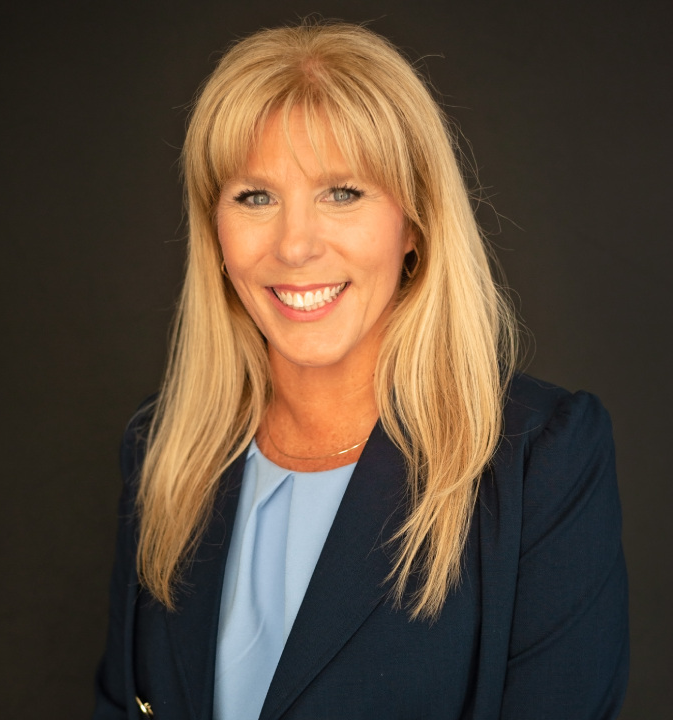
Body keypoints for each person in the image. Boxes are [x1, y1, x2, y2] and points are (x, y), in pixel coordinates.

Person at [93, 20, 628, 720]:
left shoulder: (540, 462)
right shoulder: (164, 452)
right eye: (255, 196)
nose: (294, 246)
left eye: (342, 192)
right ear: (214, 231)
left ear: (414, 224)